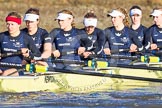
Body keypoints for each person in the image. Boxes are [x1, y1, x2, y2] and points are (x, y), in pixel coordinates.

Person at [0, 11, 41, 76]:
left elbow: (38, 55)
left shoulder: (26, 38)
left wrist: (28, 54)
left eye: (12, 24)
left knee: (6, 73)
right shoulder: (2, 36)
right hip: (1, 66)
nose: (9, 27)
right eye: (8, 24)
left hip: (17, 69)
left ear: (19, 24)